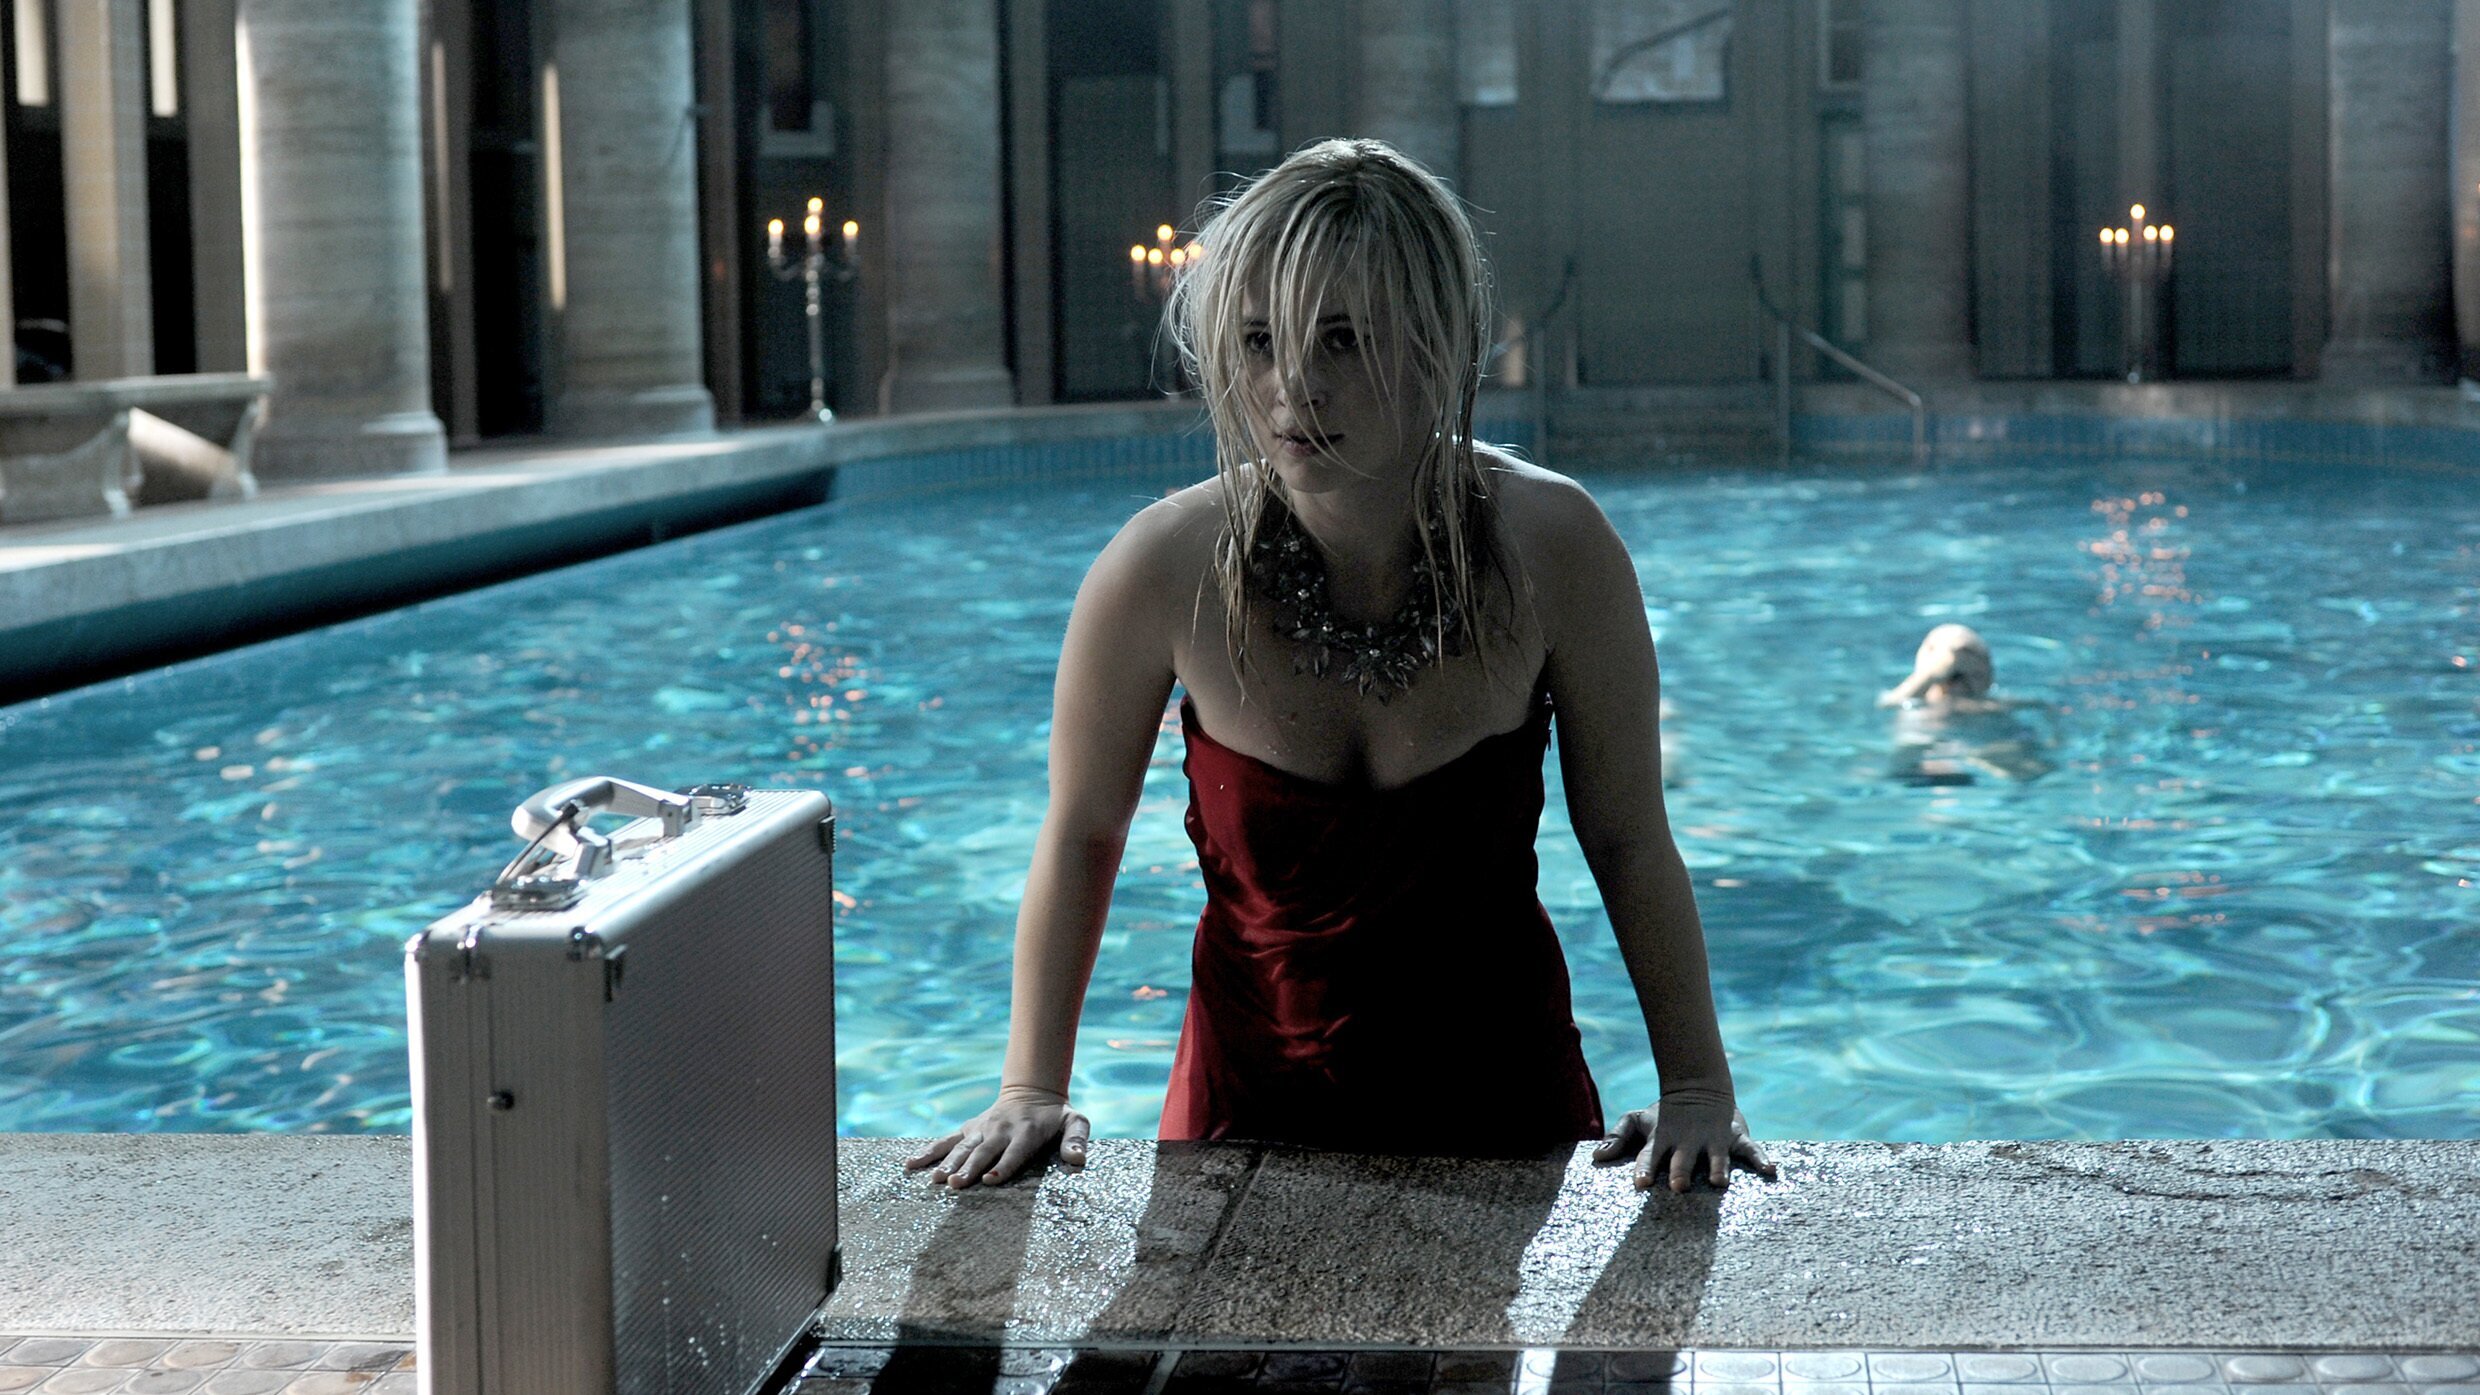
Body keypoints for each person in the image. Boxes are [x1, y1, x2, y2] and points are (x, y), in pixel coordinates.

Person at [906, 138, 1774, 1195]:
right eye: (1258, 340)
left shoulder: (1554, 547)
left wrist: (1696, 1086)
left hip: (1505, 1100)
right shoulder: (1162, 566)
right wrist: (1029, 1086)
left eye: (1342, 340)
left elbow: (1628, 836)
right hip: (1241, 1112)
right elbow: (1084, 830)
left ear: (1435, 342)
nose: (1290, 389)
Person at [1877, 623, 2054, 783]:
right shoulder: (1908, 699)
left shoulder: (1998, 703)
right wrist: (1931, 674)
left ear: (1988, 676)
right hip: (1927, 752)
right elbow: (1887, 704)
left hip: (1981, 752)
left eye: (1970, 655)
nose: (1956, 662)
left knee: (2029, 765)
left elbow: (2046, 710)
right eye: (1938, 653)